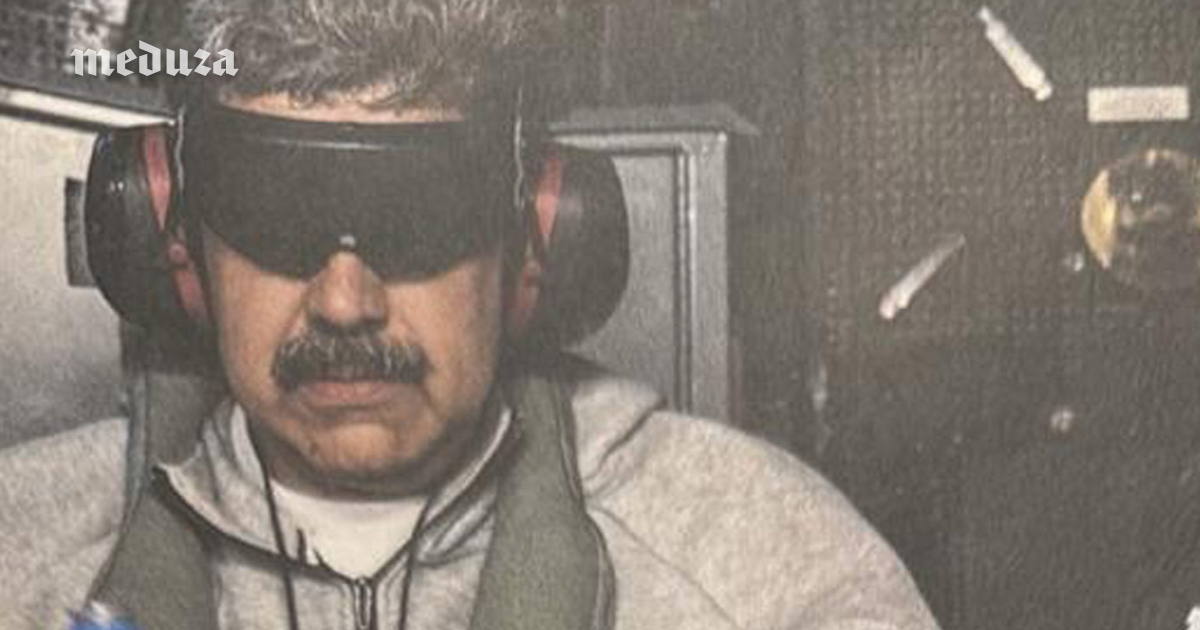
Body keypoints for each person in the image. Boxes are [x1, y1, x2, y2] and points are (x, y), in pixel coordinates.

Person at [0, 1, 940, 628]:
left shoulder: (773, 573)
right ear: (173, 237)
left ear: (535, 240)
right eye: (274, 213)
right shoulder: (24, 556)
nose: (345, 302)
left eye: (418, 217)